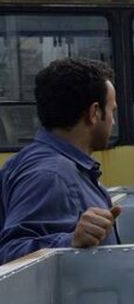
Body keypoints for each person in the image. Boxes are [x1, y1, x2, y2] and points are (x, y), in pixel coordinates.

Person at [0, 57, 121, 264]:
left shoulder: (43, 163)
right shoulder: (52, 174)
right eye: (112, 111)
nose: (113, 121)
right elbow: (10, 255)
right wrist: (69, 242)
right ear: (94, 113)